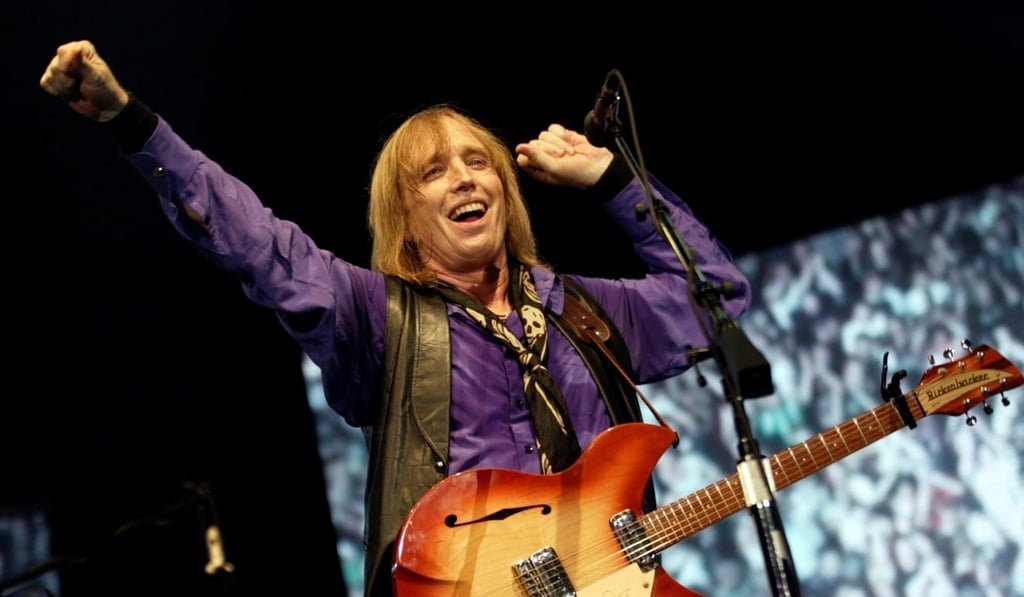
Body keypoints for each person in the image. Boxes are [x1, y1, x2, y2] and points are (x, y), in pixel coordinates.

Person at [40, 40, 752, 596]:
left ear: (506, 192)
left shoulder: (587, 311)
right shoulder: (376, 316)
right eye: (434, 171)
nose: (466, 177)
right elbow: (254, 240)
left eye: (480, 163)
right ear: (406, 218)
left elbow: (715, 297)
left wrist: (615, 182)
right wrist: (131, 123)